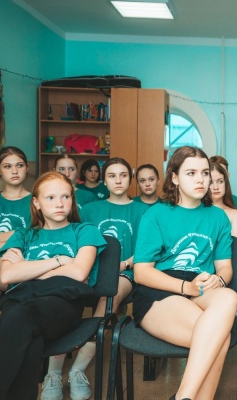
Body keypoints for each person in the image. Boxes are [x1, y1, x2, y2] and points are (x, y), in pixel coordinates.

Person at [0, 171, 107, 400]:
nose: (59, 204)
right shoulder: (23, 235)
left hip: (62, 305)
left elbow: (79, 272)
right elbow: (8, 274)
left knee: (10, 323)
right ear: (36, 202)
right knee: (29, 341)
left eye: (65, 197)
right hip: (20, 302)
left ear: (73, 200)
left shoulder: (84, 231)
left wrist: (27, 268)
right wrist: (59, 261)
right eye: (50, 197)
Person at [132, 146, 237, 400]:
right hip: (161, 288)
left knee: (229, 296)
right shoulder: (156, 214)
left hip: (201, 286)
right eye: (191, 173)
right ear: (175, 177)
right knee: (220, 339)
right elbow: (141, 272)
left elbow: (225, 267)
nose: (201, 179)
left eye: (205, 173)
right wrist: (185, 288)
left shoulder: (219, 217)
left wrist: (218, 280)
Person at [42, 158, 149, 400]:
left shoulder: (144, 211)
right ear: (104, 180)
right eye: (112, 176)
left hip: (125, 271)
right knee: (64, 299)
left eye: (123, 175)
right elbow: (74, 241)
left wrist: (123, 263)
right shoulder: (90, 209)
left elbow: (146, 249)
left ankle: (78, 370)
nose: (118, 180)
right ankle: (53, 373)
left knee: (109, 296)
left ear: (130, 178)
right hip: (87, 268)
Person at [0, 146, 32, 310]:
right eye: (7, 166)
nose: (14, 171)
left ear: (27, 167)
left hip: (18, 265)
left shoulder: (37, 202)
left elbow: (31, 238)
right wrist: (16, 234)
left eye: (19, 165)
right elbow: (22, 235)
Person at [210, 162, 237, 240]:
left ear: (226, 183)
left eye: (220, 181)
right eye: (210, 182)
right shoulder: (197, 212)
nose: (216, 187)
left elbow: (236, 247)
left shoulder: (236, 215)